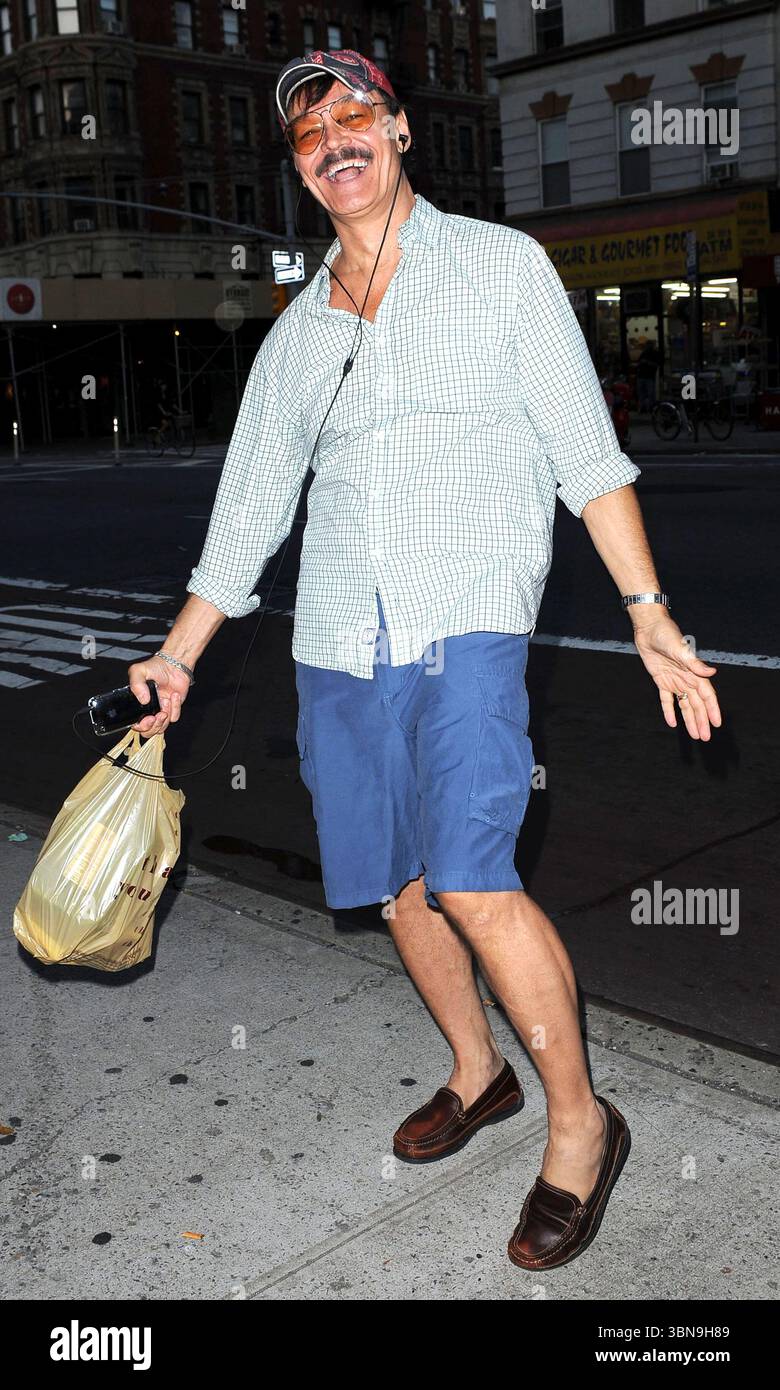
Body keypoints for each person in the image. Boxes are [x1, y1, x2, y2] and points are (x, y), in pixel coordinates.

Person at [127, 49, 721, 1272]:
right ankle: (479, 1071)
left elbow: (586, 454)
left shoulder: (500, 267)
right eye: (310, 134)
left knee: (472, 874)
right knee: (398, 884)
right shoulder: (297, 336)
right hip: (340, 635)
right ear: (300, 170)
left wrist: (648, 608)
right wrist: (180, 658)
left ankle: (581, 1125)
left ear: (398, 132)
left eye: (355, 116)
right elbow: (247, 513)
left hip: (468, 623)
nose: (335, 140)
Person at [635, 341, 661, 413]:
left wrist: (647, 362)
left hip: (648, 376)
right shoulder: (644, 353)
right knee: (642, 393)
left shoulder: (655, 353)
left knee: (649, 393)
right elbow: (639, 362)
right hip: (643, 376)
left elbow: (657, 364)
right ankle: (643, 408)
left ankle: (650, 408)